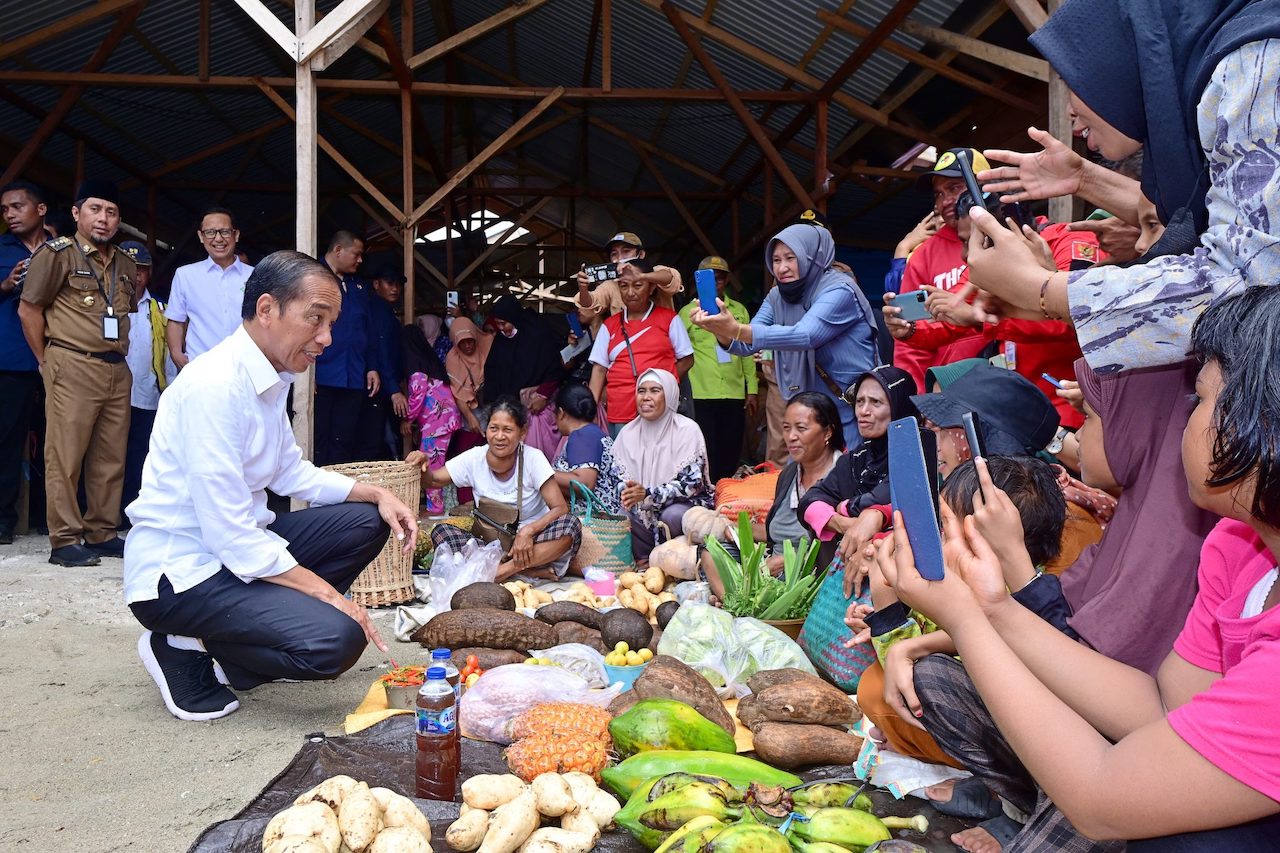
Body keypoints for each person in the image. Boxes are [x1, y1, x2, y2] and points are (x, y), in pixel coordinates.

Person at [881, 285, 1280, 851]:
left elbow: (1102, 799)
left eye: (1199, 399)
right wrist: (991, 606)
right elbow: (1160, 707)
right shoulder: (1238, 547)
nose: (1181, 423)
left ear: (1264, 425)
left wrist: (970, 620)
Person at [123, 250, 418, 722]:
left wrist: (376, 493)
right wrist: (331, 597)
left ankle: (244, 636)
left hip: (234, 551)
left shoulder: (269, 375)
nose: (325, 338)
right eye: (315, 320)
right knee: (336, 640)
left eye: (331, 323)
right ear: (266, 310)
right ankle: (182, 645)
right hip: (182, 573)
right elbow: (231, 536)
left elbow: (288, 471)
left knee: (365, 521)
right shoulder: (215, 387)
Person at [965, 0, 1280, 374]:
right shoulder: (1213, 81)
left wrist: (1041, 289)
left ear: (1116, 59)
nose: (1067, 110)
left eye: (1070, 79)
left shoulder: (1255, 67)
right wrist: (1084, 177)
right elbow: (1210, 221)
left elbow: (1250, 281)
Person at [1062, 358, 1218, 675]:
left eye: (1087, 418)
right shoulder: (1141, 507)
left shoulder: (1167, 540)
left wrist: (1015, 569)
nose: (1076, 436)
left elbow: (1100, 671)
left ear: (1131, 426)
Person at [888, 211, 1102, 429]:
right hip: (1015, 412)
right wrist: (909, 328)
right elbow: (955, 309)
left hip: (1066, 412)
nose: (963, 255)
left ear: (997, 233)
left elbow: (1074, 319)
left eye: (968, 242)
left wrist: (983, 319)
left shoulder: (1070, 241)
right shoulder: (985, 262)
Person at [18, 180, 137, 568]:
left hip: (116, 369)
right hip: (72, 363)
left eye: (111, 212)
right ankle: (65, 540)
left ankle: (102, 532)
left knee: (110, 458)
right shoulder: (57, 255)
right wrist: (45, 360)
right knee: (65, 456)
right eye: (95, 209)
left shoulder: (125, 261)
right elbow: (29, 309)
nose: (103, 219)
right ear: (76, 213)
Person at [692, 216, 878, 450]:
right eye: (776, 259)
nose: (782, 268)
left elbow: (806, 335)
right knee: (805, 479)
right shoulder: (777, 296)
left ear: (811, 255)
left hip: (850, 406)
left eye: (791, 258)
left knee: (850, 475)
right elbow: (745, 345)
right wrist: (720, 329)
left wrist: (737, 329)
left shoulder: (840, 289)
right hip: (809, 408)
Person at [415, 398, 582, 580]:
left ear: (522, 432)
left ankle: (504, 571)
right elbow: (432, 480)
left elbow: (560, 508)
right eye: (494, 428)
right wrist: (421, 462)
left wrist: (528, 531)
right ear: (486, 430)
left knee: (570, 525)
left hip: (531, 545)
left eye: (508, 430)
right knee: (442, 532)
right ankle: (524, 571)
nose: (499, 436)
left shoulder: (533, 459)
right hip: (489, 545)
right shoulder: (474, 458)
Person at [703, 392, 844, 600]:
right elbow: (778, 530)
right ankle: (738, 606)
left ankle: (748, 606)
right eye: (786, 428)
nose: (791, 436)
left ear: (827, 433)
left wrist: (792, 560)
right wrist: (742, 532)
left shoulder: (842, 475)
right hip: (773, 565)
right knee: (711, 554)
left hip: (813, 571)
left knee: (785, 579)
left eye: (801, 428)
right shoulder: (789, 474)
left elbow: (841, 543)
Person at [799, 366, 918, 595]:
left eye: (875, 402)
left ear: (899, 407)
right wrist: (843, 523)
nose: (863, 411)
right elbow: (810, 501)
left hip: (897, 579)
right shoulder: (857, 459)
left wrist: (844, 507)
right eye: (860, 401)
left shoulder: (917, 454)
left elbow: (886, 498)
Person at [890, 149, 994, 391]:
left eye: (955, 188)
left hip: (1011, 382)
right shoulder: (923, 256)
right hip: (946, 392)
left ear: (984, 184)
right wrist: (914, 398)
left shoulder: (1010, 237)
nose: (946, 200)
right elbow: (909, 342)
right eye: (939, 194)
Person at [608, 369, 713, 565]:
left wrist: (649, 493)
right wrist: (629, 492)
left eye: (655, 390)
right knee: (623, 513)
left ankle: (675, 561)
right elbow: (616, 477)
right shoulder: (627, 433)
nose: (646, 397)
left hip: (682, 504)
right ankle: (645, 560)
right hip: (644, 509)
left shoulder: (687, 430)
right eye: (641, 391)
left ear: (670, 395)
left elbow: (691, 484)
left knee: (671, 515)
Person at [589, 259, 695, 436]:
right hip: (620, 410)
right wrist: (590, 410)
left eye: (638, 285)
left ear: (652, 288)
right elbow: (599, 370)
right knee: (623, 462)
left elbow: (687, 360)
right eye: (624, 286)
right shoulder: (609, 325)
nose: (630, 292)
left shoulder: (669, 319)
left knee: (659, 461)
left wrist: (663, 385)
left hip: (659, 409)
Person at [679, 255, 758, 481]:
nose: (716, 284)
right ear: (699, 282)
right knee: (706, 448)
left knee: (731, 447)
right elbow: (679, 351)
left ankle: (727, 494)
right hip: (701, 393)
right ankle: (707, 493)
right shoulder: (687, 313)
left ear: (727, 281)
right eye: (710, 280)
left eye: (721, 279)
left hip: (733, 392)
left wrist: (751, 389)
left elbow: (747, 352)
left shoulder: (739, 310)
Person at [0, 180, 47, 545]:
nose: (10, 214)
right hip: (11, 360)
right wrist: (4, 285)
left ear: (40, 209)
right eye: (5, 210)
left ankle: (51, 520)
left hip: (57, 360)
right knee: (7, 441)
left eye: (17, 206)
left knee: (58, 444)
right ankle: (4, 520)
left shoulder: (61, 251)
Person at [119, 241, 177, 522]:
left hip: (146, 397)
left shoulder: (160, 309)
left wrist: (170, 393)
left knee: (140, 460)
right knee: (107, 459)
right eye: (130, 269)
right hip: (111, 397)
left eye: (141, 269)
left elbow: (168, 355)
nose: (135, 276)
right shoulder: (104, 303)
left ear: (149, 273)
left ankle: (131, 516)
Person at [314, 231, 380, 466]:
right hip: (320, 375)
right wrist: (305, 376)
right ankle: (313, 500)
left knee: (344, 441)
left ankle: (336, 498)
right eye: (357, 254)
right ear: (338, 250)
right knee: (317, 440)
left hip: (353, 375)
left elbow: (368, 332)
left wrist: (371, 367)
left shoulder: (359, 288)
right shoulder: (312, 277)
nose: (360, 260)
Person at [165, 207, 254, 367]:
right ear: (201, 236)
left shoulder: (255, 276)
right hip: (200, 366)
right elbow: (176, 320)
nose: (218, 239)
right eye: (210, 232)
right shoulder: (185, 275)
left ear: (236, 235)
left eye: (225, 232)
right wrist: (176, 353)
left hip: (245, 366)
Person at [483, 295, 566, 461]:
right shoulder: (501, 341)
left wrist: (543, 394)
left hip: (536, 410)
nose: (501, 328)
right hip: (509, 413)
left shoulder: (538, 335)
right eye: (498, 324)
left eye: (503, 323)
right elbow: (493, 373)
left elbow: (554, 368)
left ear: (514, 317)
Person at [574, 231, 684, 331]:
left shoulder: (654, 272)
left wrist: (642, 276)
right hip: (629, 345)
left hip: (662, 341)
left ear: (641, 255)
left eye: (626, 251)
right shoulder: (610, 284)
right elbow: (590, 303)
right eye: (614, 254)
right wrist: (583, 288)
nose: (619, 258)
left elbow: (671, 277)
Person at [358, 266, 409, 461]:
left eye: (397, 284)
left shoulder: (385, 310)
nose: (395, 288)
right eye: (390, 283)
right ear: (376, 284)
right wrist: (395, 389)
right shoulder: (379, 311)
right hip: (378, 387)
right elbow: (382, 353)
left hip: (383, 385)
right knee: (373, 441)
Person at [551, 383, 618, 513]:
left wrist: (541, 473)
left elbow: (585, 484)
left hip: (597, 523)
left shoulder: (583, 435)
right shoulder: (590, 433)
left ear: (561, 413)